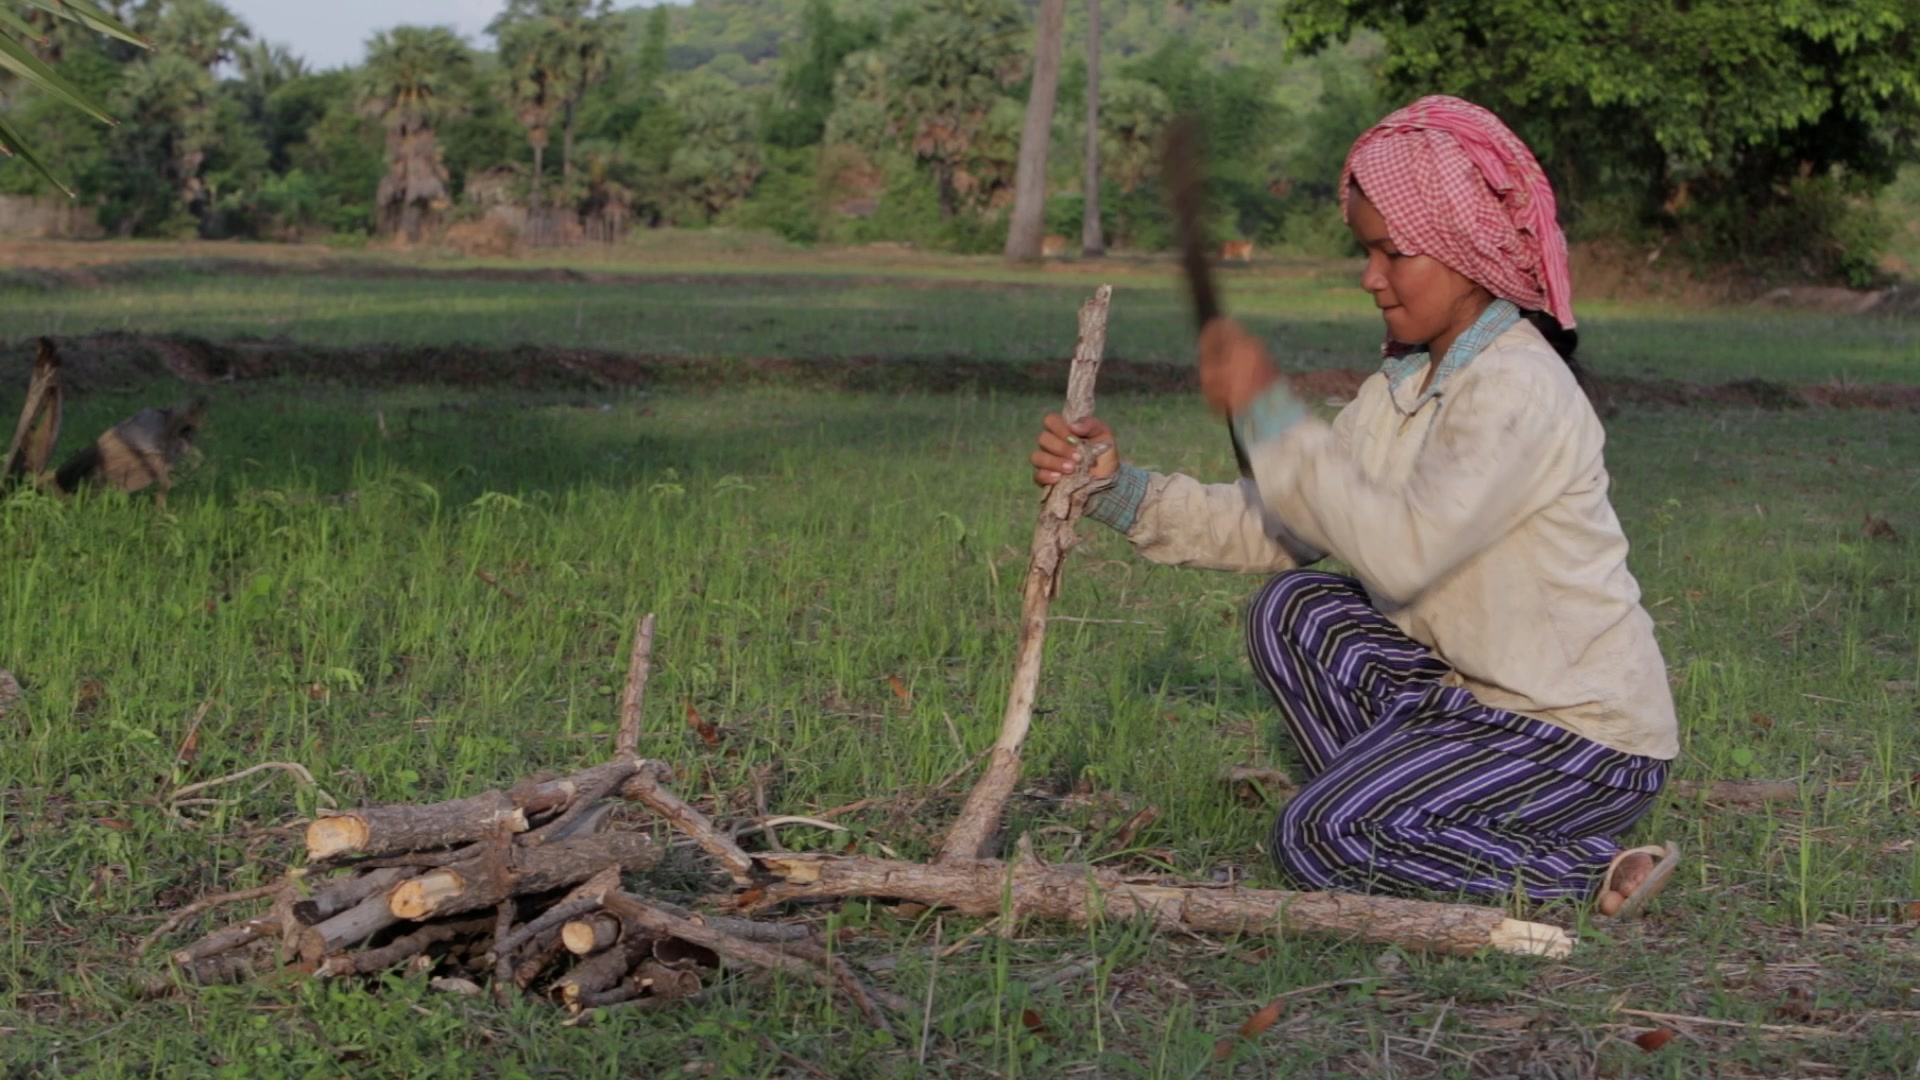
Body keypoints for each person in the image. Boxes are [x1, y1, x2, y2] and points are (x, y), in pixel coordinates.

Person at [1029, 95, 1681, 918]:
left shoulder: (1518, 386)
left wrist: (1268, 411)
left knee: (1316, 838)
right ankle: (1400, 813)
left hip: (1580, 744)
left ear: (1461, 249)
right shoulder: (1404, 385)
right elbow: (1289, 526)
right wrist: (1118, 491)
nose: (1370, 277)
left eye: (1392, 253)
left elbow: (1403, 551)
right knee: (1296, 608)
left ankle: (1578, 868)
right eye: (1365, 252)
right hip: (1477, 707)